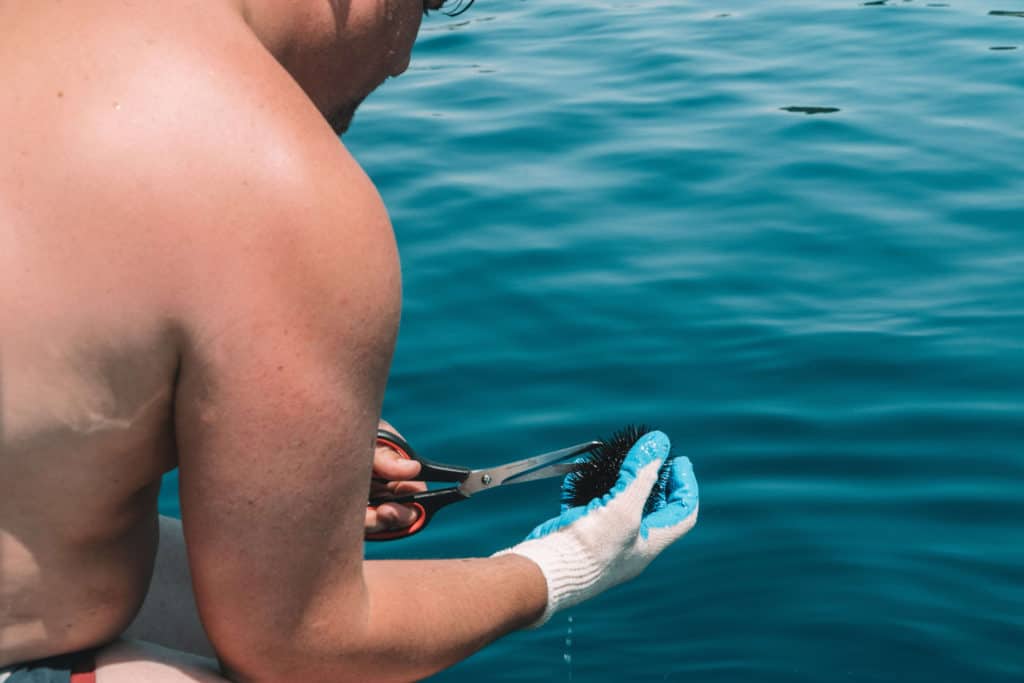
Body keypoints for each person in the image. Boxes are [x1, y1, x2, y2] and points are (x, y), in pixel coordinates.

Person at [0, 1, 700, 681]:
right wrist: (560, 568)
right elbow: (304, 653)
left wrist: (272, 470)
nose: (401, 61)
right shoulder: (275, 184)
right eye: (427, 5)